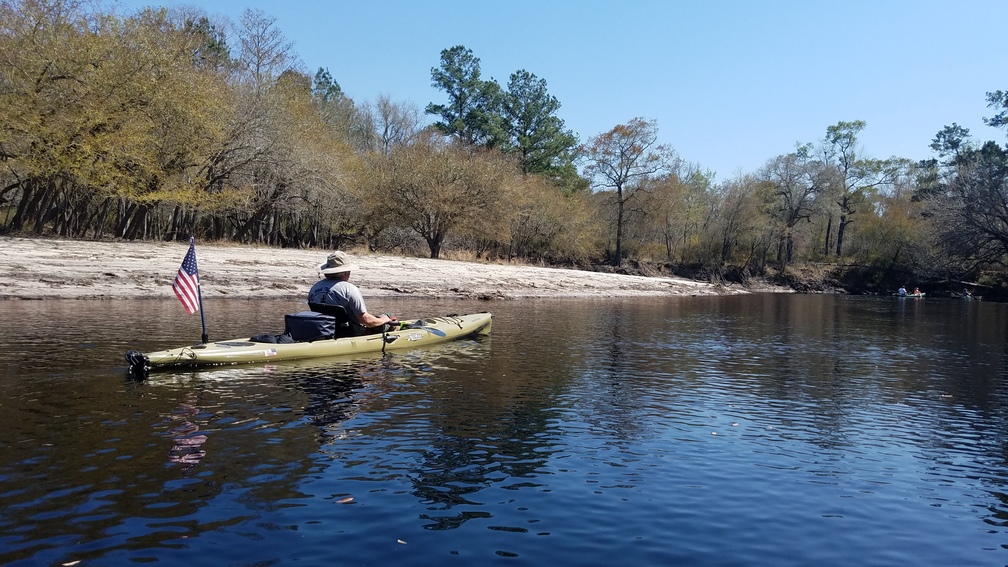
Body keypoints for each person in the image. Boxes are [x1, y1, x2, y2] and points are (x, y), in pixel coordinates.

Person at [307, 251, 396, 334]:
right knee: (389, 317)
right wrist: (384, 320)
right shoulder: (349, 289)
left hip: (325, 330)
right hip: (351, 332)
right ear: (346, 273)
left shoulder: (314, 288)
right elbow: (366, 321)